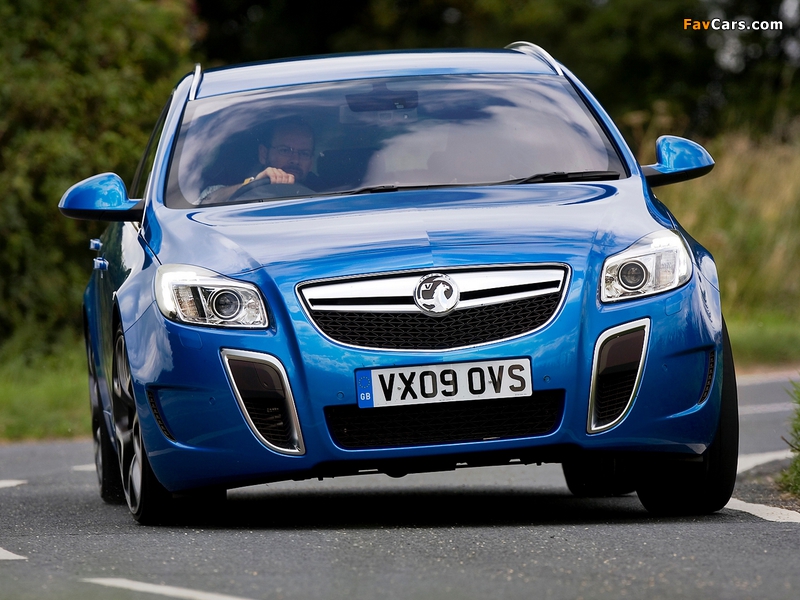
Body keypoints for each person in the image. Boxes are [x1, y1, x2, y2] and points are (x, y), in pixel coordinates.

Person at [199, 120, 316, 203]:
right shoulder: (237, 180)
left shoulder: (323, 191)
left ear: (311, 162)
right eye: (285, 150)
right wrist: (253, 184)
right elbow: (205, 201)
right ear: (264, 154)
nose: (295, 160)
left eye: (304, 153)